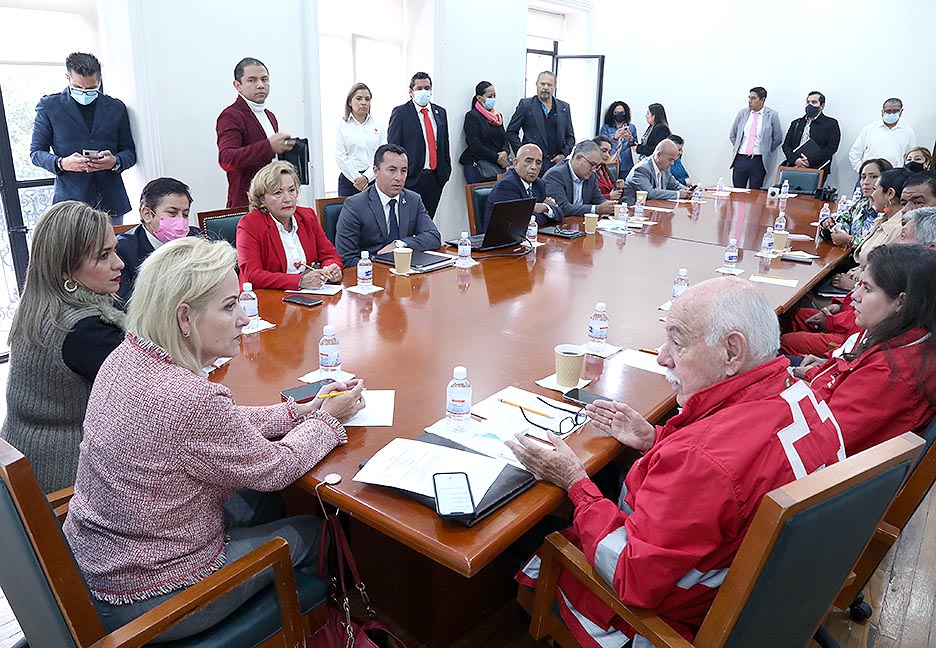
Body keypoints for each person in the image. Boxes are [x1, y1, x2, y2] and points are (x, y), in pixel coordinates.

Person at [507, 278, 845, 646]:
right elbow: (739, 471)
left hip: (657, 619)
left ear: (732, 352)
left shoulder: (703, 460)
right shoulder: (803, 396)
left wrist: (576, 483)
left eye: (677, 342)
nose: (662, 357)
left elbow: (628, 575)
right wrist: (655, 439)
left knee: (522, 543)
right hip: (770, 598)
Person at [62, 237, 365, 641]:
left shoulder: (126, 356)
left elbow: (218, 428)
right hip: (153, 597)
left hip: (96, 569)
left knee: (261, 503)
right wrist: (327, 421)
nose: (243, 318)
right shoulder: (191, 399)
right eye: (229, 306)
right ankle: (315, 629)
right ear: (185, 318)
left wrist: (297, 412)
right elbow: (274, 469)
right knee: (314, 530)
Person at [0, 202, 125, 493]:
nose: (118, 263)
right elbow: (155, 390)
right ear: (67, 270)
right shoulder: (84, 330)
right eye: (104, 256)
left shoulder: (40, 305)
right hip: (69, 483)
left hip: (27, 462)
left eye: (114, 250)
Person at [794, 245, 936, 456]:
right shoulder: (901, 335)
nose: (855, 297)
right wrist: (820, 371)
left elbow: (824, 443)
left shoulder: (889, 374)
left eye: (867, 289)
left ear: (901, 302)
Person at [781, 206, 936, 357]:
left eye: (902, 236)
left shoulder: (911, 287)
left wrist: (831, 323)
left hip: (851, 338)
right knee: (796, 315)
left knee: (786, 341)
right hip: (851, 328)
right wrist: (840, 305)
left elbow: (859, 346)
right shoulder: (907, 273)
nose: (892, 242)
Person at [30, 52, 137, 224]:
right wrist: (62, 163)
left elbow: (130, 152)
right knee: (76, 251)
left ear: (100, 80)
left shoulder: (116, 108)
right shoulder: (50, 107)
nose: (85, 92)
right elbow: (36, 153)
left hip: (111, 200)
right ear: (68, 78)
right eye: (79, 88)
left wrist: (115, 161)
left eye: (91, 88)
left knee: (112, 248)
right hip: (71, 201)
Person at [236, 161, 342, 290]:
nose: (288, 199)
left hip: (308, 295)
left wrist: (332, 267)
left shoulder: (307, 216)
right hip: (265, 298)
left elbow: (329, 254)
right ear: (262, 199)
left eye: (291, 190)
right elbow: (253, 275)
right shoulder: (250, 224)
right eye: (278, 193)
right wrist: (299, 281)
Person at [335, 144, 442, 267]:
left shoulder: (413, 200)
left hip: (405, 273)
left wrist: (399, 244)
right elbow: (346, 259)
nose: (399, 178)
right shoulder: (355, 205)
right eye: (392, 170)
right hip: (371, 275)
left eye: (403, 171)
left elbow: (433, 237)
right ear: (376, 171)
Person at [216, 57, 295, 208]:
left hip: (274, 200)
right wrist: (269, 147)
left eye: (264, 79)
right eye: (252, 80)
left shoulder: (270, 116)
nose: (260, 85)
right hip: (247, 202)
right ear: (237, 85)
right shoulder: (231, 115)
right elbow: (226, 159)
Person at [116, 178, 203, 305]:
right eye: (172, 213)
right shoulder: (123, 249)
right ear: (147, 214)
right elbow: (125, 303)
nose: (180, 221)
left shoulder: (195, 238)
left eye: (185, 214)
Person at [830, 168, 914, 292]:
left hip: (862, 292)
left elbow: (886, 276)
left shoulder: (900, 229)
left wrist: (854, 286)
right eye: (863, 177)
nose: (872, 194)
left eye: (875, 189)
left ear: (890, 193)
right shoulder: (884, 219)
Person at [387, 72, 451, 219]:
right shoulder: (401, 112)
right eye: (419, 88)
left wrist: (445, 172)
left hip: (435, 178)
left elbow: (444, 144)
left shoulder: (440, 112)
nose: (424, 91)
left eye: (427, 88)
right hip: (412, 179)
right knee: (409, 222)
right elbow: (393, 148)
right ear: (411, 92)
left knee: (427, 224)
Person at [505, 71, 575, 176]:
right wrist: (523, 153)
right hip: (532, 164)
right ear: (537, 84)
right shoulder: (526, 105)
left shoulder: (563, 107)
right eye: (542, 84)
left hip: (556, 163)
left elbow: (570, 137)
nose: (545, 87)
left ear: (554, 86)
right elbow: (511, 132)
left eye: (549, 85)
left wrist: (563, 154)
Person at [818, 158, 893, 250]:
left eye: (873, 177)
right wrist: (827, 225)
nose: (866, 182)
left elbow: (878, 248)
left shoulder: (888, 211)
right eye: (863, 177)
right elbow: (841, 223)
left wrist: (850, 240)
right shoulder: (860, 205)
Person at [482, 144, 559, 231]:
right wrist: (543, 212)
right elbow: (517, 224)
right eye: (528, 161)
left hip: (531, 238)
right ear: (516, 163)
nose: (534, 167)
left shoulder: (539, 183)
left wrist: (544, 207)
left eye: (538, 163)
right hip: (502, 241)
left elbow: (559, 213)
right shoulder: (506, 185)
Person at [335, 82, 387, 197]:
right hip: (349, 181)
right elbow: (340, 156)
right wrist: (357, 179)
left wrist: (366, 178)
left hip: (374, 179)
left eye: (367, 99)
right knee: (349, 214)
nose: (363, 102)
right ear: (350, 102)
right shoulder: (342, 126)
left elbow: (382, 155)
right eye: (359, 99)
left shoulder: (378, 126)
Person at [727, 87, 783, 189]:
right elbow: (733, 134)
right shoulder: (742, 113)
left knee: (755, 192)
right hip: (741, 158)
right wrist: (738, 147)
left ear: (762, 100)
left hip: (758, 160)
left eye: (753, 98)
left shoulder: (772, 115)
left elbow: (777, 137)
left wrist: (766, 149)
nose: (750, 101)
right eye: (749, 98)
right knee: (737, 191)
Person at [543, 140, 615, 218]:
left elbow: (598, 200)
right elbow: (561, 208)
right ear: (578, 158)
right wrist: (596, 209)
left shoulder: (591, 176)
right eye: (592, 164)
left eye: (597, 166)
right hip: (559, 226)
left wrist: (611, 206)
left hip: (581, 224)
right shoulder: (555, 175)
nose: (594, 170)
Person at [781, 91, 841, 183]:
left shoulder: (831, 124)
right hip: (794, 167)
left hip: (817, 169)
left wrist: (810, 161)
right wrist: (795, 160)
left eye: (814, 102)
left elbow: (831, 148)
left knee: (810, 197)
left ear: (822, 106)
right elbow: (786, 145)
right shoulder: (797, 123)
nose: (810, 105)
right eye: (808, 102)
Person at [459, 80, 511, 184]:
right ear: (479, 98)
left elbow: (504, 139)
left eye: (494, 96)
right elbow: (475, 145)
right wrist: (497, 158)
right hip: (478, 165)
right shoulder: (472, 116)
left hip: (498, 166)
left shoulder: (497, 116)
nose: (493, 99)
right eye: (490, 96)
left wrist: (505, 152)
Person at [848, 98, 916, 172]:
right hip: (870, 174)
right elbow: (854, 152)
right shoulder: (870, 129)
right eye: (888, 111)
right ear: (882, 112)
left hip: (894, 176)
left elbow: (911, 156)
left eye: (895, 111)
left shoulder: (907, 131)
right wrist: (861, 170)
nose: (891, 114)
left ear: (901, 112)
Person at [623, 139, 693, 203]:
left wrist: (689, 191)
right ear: (659, 155)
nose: (672, 163)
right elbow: (650, 193)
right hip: (634, 210)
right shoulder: (641, 169)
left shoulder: (664, 167)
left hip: (656, 207)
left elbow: (675, 185)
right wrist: (678, 194)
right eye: (670, 159)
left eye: (674, 160)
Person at [598, 101, 638, 178]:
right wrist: (614, 138)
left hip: (626, 164)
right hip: (610, 162)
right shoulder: (606, 127)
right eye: (616, 112)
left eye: (621, 113)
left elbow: (636, 147)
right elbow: (602, 144)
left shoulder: (631, 127)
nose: (619, 115)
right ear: (612, 114)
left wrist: (630, 139)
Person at [592, 136, 623, 201]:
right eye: (604, 151)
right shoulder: (589, 170)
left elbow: (612, 190)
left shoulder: (604, 168)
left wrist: (618, 188)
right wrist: (609, 196)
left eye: (609, 152)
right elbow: (589, 197)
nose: (607, 155)